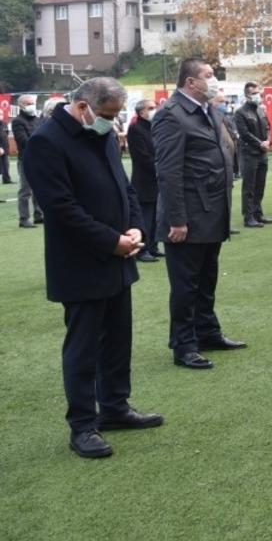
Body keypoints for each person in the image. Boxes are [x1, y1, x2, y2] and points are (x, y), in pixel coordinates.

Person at [23, 78, 164, 459]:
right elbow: (60, 209)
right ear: (83, 106)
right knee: (83, 348)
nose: (112, 123)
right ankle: (83, 426)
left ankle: (115, 408)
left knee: (118, 340)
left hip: (119, 257)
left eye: (117, 115)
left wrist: (136, 228)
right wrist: (110, 241)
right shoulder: (46, 142)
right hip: (81, 263)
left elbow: (125, 189)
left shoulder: (99, 133)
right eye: (107, 115)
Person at [154, 59, 245, 370]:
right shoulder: (172, 116)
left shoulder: (209, 111)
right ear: (190, 82)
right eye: (209, 75)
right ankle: (183, 344)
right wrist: (177, 219)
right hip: (189, 216)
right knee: (185, 285)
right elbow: (168, 173)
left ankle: (207, 332)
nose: (215, 80)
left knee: (207, 279)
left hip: (213, 211)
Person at [126, 99, 163, 263]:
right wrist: (160, 171)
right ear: (142, 112)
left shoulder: (154, 127)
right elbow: (142, 157)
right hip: (144, 180)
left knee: (156, 216)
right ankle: (143, 250)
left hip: (157, 180)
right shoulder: (135, 129)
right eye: (151, 108)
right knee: (145, 217)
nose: (155, 110)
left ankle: (153, 247)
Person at [234, 82, 272, 229]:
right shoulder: (240, 113)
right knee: (249, 187)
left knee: (260, 186)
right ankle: (248, 217)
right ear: (247, 95)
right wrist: (260, 143)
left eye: (259, 93)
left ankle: (258, 213)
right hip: (249, 153)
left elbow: (268, 127)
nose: (258, 96)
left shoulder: (261, 110)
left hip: (262, 153)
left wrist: (268, 140)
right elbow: (244, 133)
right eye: (255, 93)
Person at [13, 94, 44, 228]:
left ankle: (39, 215)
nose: (31, 105)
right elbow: (23, 140)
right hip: (26, 159)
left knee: (39, 189)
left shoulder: (38, 120)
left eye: (32, 103)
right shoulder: (17, 121)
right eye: (27, 103)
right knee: (25, 190)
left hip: (40, 159)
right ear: (20, 105)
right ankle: (24, 218)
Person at [215, 91, 240, 180]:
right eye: (221, 102)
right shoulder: (212, 120)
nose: (224, 105)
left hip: (229, 157)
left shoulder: (225, 117)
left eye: (225, 102)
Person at [0, 108, 11, 185]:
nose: (1, 116)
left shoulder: (4, 124)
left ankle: (6, 180)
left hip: (5, 148)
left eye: (1, 114)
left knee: (6, 165)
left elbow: (6, 135)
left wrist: (4, 148)